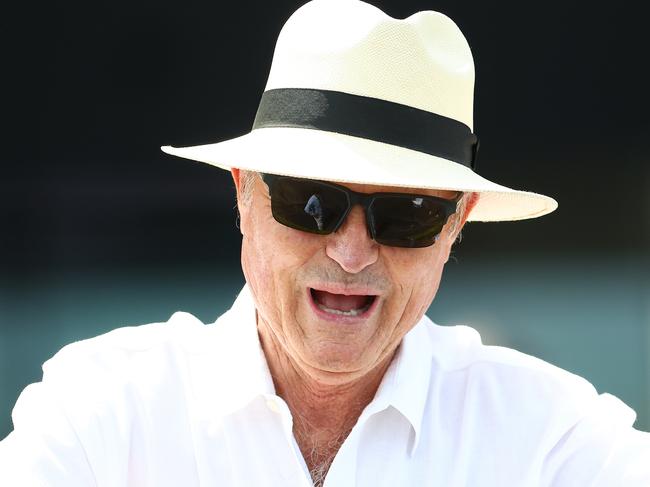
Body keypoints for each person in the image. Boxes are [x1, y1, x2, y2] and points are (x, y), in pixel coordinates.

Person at [1, 0, 648, 485]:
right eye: (312, 202)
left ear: (456, 224)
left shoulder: (551, 439)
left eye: (409, 213)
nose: (352, 251)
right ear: (243, 195)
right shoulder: (100, 418)